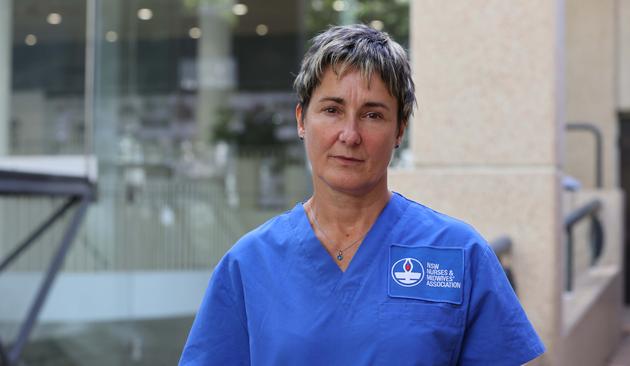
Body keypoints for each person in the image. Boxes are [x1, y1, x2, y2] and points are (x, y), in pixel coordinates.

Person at [180, 24, 545, 365]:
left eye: (372, 115)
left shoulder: (457, 253)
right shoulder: (250, 264)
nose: (350, 134)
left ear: (400, 129)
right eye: (332, 110)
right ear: (301, 120)